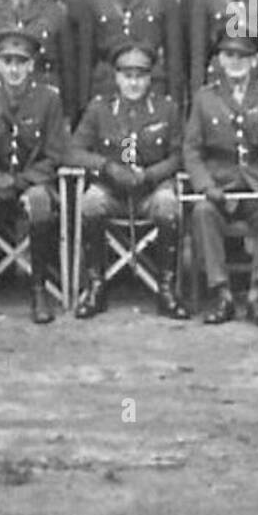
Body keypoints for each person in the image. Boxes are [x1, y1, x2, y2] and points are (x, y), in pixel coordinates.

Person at [0, 28, 71, 327]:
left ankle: (38, 290)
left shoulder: (49, 99)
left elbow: (57, 153)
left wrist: (24, 180)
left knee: (39, 202)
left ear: (32, 65)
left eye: (21, 62)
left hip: (30, 185)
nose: (14, 69)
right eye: (7, 61)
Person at [183, 33, 258, 327]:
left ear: (255, 60)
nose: (235, 62)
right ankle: (222, 295)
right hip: (220, 188)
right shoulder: (204, 97)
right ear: (219, 59)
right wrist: (206, 186)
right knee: (202, 213)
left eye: (242, 57)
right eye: (229, 56)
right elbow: (192, 150)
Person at [69, 40, 185, 320]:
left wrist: (151, 174)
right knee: (91, 202)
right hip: (111, 190)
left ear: (149, 78)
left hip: (151, 190)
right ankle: (96, 286)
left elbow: (179, 155)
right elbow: (72, 151)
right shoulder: (100, 109)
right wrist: (106, 166)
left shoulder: (166, 109)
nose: (134, 83)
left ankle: (166, 288)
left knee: (168, 204)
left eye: (140, 76)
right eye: (127, 76)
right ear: (117, 77)